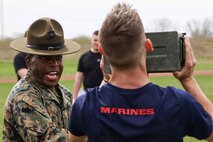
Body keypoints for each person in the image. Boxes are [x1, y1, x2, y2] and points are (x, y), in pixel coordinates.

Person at [68, 3, 213, 142]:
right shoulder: (178, 103)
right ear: (148, 46)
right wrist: (188, 80)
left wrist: (104, 83)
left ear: (101, 51)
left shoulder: (85, 104)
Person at [3, 17, 81, 141]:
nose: (54, 64)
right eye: (44, 58)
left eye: (58, 58)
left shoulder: (64, 93)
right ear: (28, 62)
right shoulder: (24, 97)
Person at [73, 30, 103, 100]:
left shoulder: (105, 57)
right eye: (95, 40)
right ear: (91, 40)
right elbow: (78, 79)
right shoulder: (84, 57)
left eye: (99, 40)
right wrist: (74, 98)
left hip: (103, 95)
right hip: (87, 95)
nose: (97, 43)